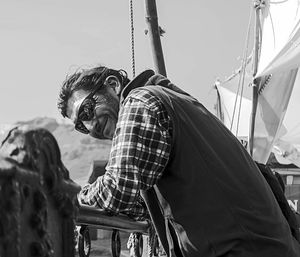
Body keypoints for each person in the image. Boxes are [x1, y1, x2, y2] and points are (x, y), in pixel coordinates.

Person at [57, 66, 300, 257]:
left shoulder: (139, 102)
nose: (90, 127)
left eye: (87, 111)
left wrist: (71, 197)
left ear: (112, 85)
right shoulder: (173, 101)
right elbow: (139, 204)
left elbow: (116, 191)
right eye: (80, 126)